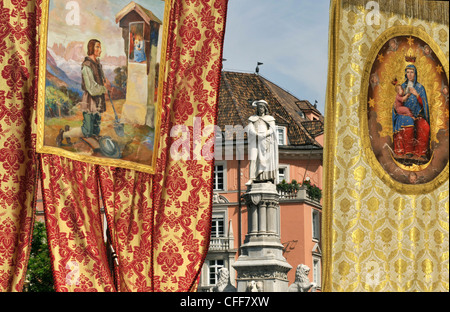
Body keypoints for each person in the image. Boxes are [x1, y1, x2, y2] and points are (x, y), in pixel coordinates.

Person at [56, 39, 111, 146]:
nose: (100, 50)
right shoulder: (87, 65)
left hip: (98, 100)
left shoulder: (98, 64)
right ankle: (63, 135)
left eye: (100, 47)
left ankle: (70, 129)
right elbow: (91, 88)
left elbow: (101, 80)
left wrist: (106, 82)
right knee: (87, 131)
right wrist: (104, 88)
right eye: (97, 47)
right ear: (91, 48)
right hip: (90, 101)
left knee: (95, 128)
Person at [392, 64, 430, 158]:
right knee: (408, 122)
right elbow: (397, 101)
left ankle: (421, 152)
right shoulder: (402, 87)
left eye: (412, 72)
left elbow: (424, 105)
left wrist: (416, 94)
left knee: (425, 126)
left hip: (417, 115)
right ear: (406, 74)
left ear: (415, 74)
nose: (409, 74)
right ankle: (408, 151)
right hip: (404, 115)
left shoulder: (420, 87)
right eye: (408, 72)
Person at [246, 100, 279, 185]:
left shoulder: (270, 119)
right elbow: (250, 128)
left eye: (262, 107)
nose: (260, 109)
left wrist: (264, 134)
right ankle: (251, 178)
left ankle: (266, 178)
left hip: (265, 140)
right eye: (259, 107)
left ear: (265, 108)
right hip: (255, 140)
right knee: (253, 159)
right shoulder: (252, 118)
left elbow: (272, 129)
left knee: (266, 159)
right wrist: (256, 134)